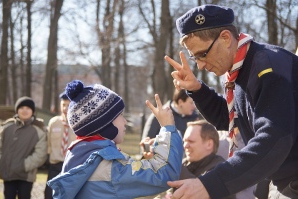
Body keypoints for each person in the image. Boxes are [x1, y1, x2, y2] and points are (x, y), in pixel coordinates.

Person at [164, 4, 298, 199]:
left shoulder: (267, 68)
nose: (200, 64)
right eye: (195, 58)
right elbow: (232, 119)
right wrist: (196, 89)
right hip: (283, 182)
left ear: (225, 38)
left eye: (203, 54)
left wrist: (210, 184)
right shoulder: (242, 70)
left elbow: (275, 139)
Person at [47, 80, 183, 198]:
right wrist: (167, 128)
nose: (124, 122)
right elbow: (165, 174)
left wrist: (144, 163)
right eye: (120, 115)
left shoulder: (77, 154)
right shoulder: (109, 166)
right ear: (105, 124)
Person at [0, 96, 47, 199]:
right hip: (8, 174)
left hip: (26, 176)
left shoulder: (38, 130)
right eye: (22, 108)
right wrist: (1, 163)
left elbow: (40, 154)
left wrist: (23, 166)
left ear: (32, 111)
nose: (25, 110)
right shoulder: (6, 127)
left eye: (28, 108)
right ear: (17, 110)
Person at [44, 92, 76, 199]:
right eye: (63, 105)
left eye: (69, 105)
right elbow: (48, 143)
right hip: (55, 165)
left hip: (72, 166)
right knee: (49, 195)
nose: (66, 108)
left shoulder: (78, 124)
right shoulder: (53, 122)